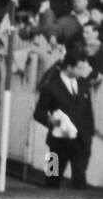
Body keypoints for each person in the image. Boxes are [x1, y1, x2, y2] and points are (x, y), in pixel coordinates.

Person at [34, 43, 96, 189]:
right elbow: (38, 112)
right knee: (51, 178)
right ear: (69, 67)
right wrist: (50, 121)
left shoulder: (84, 84)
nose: (82, 71)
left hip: (80, 141)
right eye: (79, 68)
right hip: (57, 142)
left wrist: (89, 134)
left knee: (80, 179)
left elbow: (88, 111)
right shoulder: (50, 86)